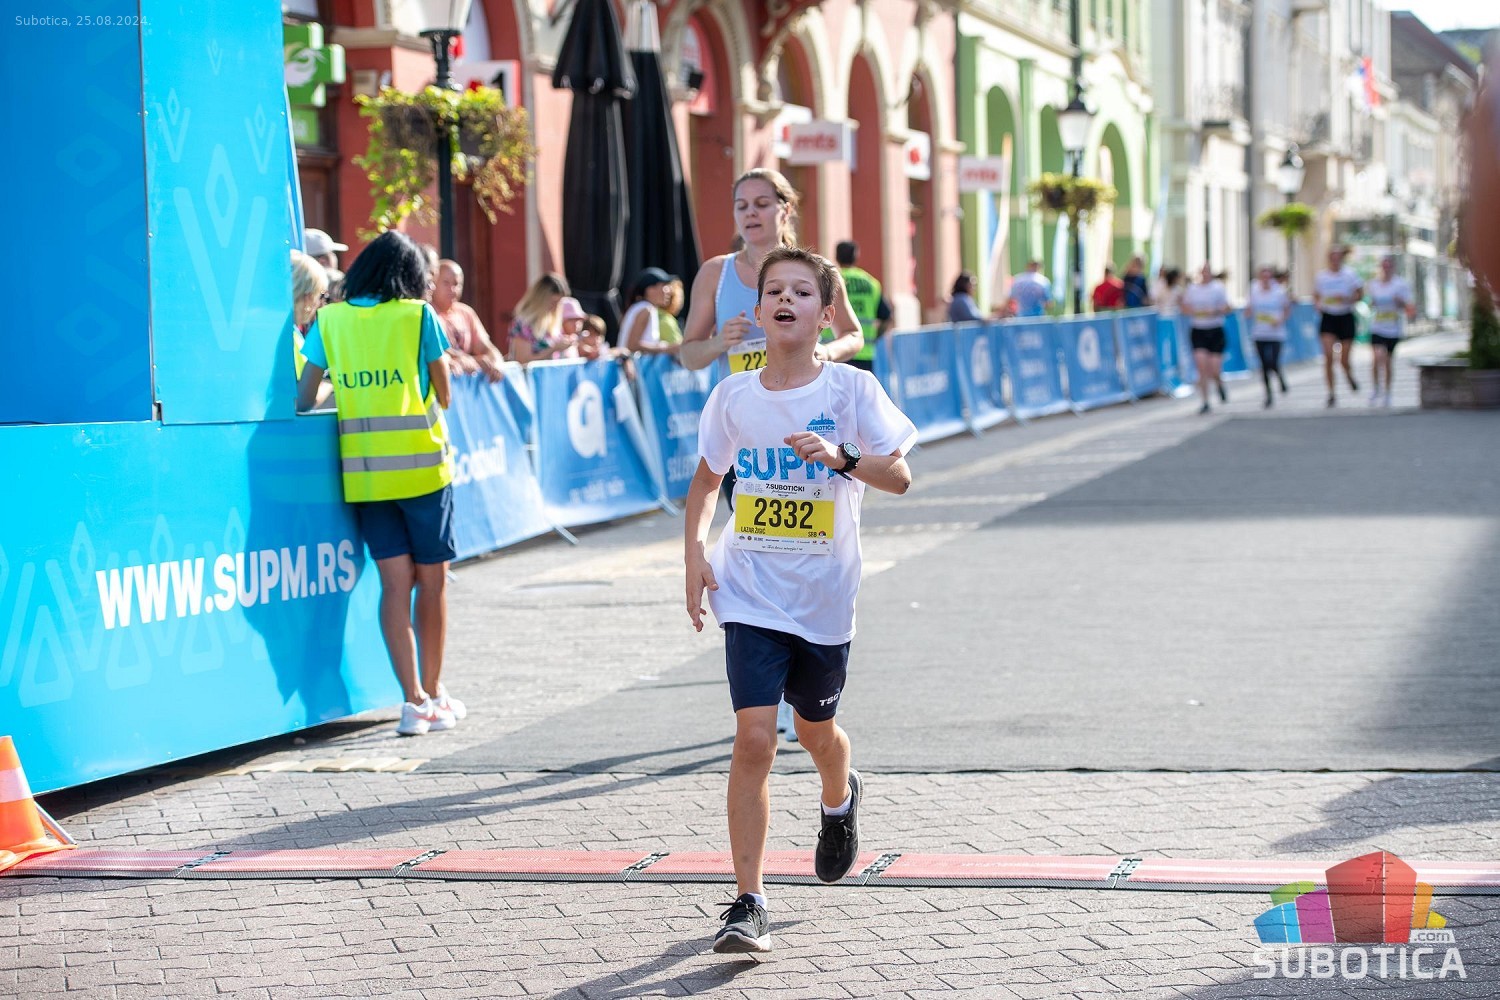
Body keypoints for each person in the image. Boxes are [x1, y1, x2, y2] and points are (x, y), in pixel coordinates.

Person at [684, 245, 917, 955]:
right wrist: (694, 553)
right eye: (775, 291)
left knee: (818, 733)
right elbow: (705, 484)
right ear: (758, 311)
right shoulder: (734, 396)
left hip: (823, 597)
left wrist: (842, 458)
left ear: (824, 314)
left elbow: (901, 476)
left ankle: (839, 798)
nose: (787, 300)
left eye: (802, 292)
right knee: (754, 739)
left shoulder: (851, 391)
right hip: (749, 589)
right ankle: (748, 901)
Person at [294, 231, 466, 737]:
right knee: (431, 584)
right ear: (411, 275)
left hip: (367, 476)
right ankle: (435, 692)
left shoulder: (330, 319)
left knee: (394, 585)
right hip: (424, 470)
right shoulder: (418, 316)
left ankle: (412, 702)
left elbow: (304, 396)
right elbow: (445, 393)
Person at [678, 168, 864, 376]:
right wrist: (719, 342)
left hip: (802, 395)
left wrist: (827, 352)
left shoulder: (817, 271)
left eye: (762, 204)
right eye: (741, 206)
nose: (750, 213)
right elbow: (688, 357)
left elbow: (853, 335)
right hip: (740, 397)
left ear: (786, 210)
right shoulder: (714, 273)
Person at [432, 259, 505, 382]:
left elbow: (487, 348)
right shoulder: (426, 313)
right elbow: (434, 353)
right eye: (446, 283)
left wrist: (497, 364)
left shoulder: (466, 313)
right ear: (433, 283)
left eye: (457, 284)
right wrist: (472, 361)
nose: (452, 289)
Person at [1314, 245, 1364, 407]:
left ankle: (1349, 375)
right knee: (1328, 356)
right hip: (1328, 316)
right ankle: (1331, 393)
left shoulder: (1350, 274)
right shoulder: (1322, 276)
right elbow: (1316, 295)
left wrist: (1347, 299)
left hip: (1345, 316)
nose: (1335, 260)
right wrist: (1318, 305)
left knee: (1344, 359)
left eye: (1338, 257)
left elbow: (1360, 293)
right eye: (1333, 257)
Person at [834, 241, 894, 370]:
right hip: (864, 352)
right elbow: (887, 317)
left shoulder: (831, 281)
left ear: (836, 256)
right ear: (856, 256)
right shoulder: (871, 283)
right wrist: (875, 337)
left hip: (836, 351)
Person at [1365, 255, 1416, 407]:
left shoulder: (1400, 285)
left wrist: (1400, 302)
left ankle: (1387, 392)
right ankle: (1376, 388)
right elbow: (1370, 304)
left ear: (1393, 268)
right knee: (1376, 358)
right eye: (1383, 266)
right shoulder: (1374, 284)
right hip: (1377, 326)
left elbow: (1410, 308)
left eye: (1389, 266)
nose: (1386, 269)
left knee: (1387, 361)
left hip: (1393, 328)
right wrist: (1372, 303)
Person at [1180, 263, 1231, 414]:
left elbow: (1228, 307)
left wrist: (1215, 311)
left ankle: (1219, 383)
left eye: (1208, 272)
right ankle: (1205, 401)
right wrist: (1193, 311)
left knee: (1214, 369)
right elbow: (1184, 307)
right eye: (1203, 272)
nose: (1205, 275)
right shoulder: (1192, 289)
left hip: (1215, 330)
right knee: (1202, 367)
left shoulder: (1218, 288)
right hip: (1198, 330)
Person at [1245, 265, 1292, 408]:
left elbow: (1287, 309)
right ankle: (1268, 394)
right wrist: (1248, 313)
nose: (1265, 280)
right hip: (1259, 333)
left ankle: (1280, 377)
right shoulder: (1253, 289)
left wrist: (1280, 320)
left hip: (1276, 334)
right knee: (1264, 364)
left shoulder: (1279, 291)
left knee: (1273, 361)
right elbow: (1249, 308)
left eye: (1268, 277)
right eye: (1263, 277)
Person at [508, 273, 577, 364]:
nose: (556, 307)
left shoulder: (551, 322)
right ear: (540, 299)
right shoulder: (523, 323)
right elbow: (523, 361)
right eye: (553, 302)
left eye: (559, 303)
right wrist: (554, 348)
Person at [620, 267, 683, 355]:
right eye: (664, 286)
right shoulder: (645, 310)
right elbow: (632, 345)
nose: (669, 291)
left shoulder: (643, 308)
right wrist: (666, 348)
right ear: (650, 290)